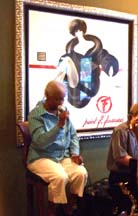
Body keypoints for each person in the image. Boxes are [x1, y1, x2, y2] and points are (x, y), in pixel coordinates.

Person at [27, 80, 88, 216]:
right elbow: (40, 142)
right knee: (60, 177)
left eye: (63, 98)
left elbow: (73, 135)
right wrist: (59, 125)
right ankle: (52, 211)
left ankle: (70, 208)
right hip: (41, 157)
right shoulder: (36, 115)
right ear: (47, 96)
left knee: (80, 173)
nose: (61, 102)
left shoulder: (63, 111)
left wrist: (74, 154)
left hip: (62, 157)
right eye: (57, 99)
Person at [106, 102, 138, 215]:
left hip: (135, 173)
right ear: (132, 116)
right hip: (121, 176)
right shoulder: (120, 130)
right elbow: (120, 157)